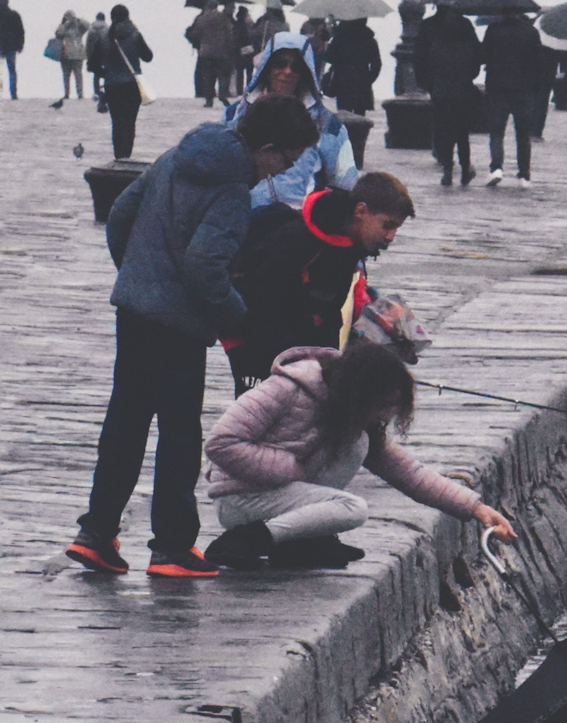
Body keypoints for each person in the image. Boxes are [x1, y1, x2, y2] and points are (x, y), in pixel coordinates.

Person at [65, 97, 320, 579]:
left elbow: (121, 214)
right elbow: (205, 265)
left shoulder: (178, 155)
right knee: (180, 432)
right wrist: (235, 315)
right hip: (179, 325)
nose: (280, 171)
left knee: (125, 423)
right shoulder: (231, 190)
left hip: (135, 311)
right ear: (265, 147)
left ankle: (96, 534)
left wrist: (142, 278)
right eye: (283, 160)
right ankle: (172, 548)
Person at [202, 340, 516, 569]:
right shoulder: (286, 389)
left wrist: (476, 509)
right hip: (240, 498)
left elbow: (409, 473)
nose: (383, 417)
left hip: (277, 493)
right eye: (382, 407)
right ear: (361, 394)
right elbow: (220, 443)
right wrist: (288, 467)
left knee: (358, 446)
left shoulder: (349, 414)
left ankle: (300, 541)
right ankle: (249, 541)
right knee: (352, 508)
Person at [224, 171, 415, 393]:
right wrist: (299, 357)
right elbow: (259, 306)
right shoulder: (295, 240)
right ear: (361, 211)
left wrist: (329, 361)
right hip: (250, 341)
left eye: (395, 230)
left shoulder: (349, 246)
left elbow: (329, 313)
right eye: (387, 225)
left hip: (293, 345)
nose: (390, 236)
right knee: (258, 414)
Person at [225, 32, 357, 209]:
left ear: (305, 72)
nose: (287, 71)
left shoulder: (326, 124)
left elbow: (346, 181)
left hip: (298, 223)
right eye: (280, 64)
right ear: (267, 67)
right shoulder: (235, 115)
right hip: (246, 218)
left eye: (296, 66)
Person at [414, 1, 483, 186]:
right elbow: (476, 64)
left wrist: (431, 84)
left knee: (445, 130)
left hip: (441, 92)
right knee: (462, 133)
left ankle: (447, 169)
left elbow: (426, 63)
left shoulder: (437, 44)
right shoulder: (467, 41)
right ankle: (465, 167)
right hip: (463, 90)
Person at [480, 7, 545, 187]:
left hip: (498, 87)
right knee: (523, 133)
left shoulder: (493, 30)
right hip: (524, 89)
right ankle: (524, 175)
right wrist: (537, 88)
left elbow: (483, 56)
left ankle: (496, 168)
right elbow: (539, 61)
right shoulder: (530, 32)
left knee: (496, 130)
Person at [90, 5, 153, 159]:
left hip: (112, 86)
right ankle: (126, 155)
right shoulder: (135, 35)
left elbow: (92, 64)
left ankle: (118, 155)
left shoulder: (104, 38)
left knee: (117, 122)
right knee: (129, 122)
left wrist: (106, 74)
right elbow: (148, 57)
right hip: (132, 85)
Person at [323, 18, 382, 114]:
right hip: (362, 83)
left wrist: (333, 35)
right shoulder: (370, 40)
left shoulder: (341, 38)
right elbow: (377, 65)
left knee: (344, 115)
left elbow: (328, 57)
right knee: (360, 117)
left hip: (343, 81)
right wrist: (368, 80)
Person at [185, 0, 236, 108]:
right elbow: (229, 34)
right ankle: (222, 93)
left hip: (205, 52)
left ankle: (209, 100)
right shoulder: (223, 18)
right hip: (221, 52)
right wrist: (229, 48)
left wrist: (197, 43)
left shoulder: (201, 19)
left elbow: (195, 35)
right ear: (217, 7)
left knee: (208, 76)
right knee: (223, 75)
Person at [53, 11, 89, 100]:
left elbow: (87, 25)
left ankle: (80, 93)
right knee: (66, 75)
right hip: (65, 54)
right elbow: (58, 33)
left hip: (77, 54)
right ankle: (67, 93)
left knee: (78, 74)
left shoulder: (79, 28)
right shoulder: (63, 27)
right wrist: (64, 24)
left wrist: (78, 20)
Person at [530, 46, 558, 143]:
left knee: (531, 101)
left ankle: (529, 130)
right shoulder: (553, 43)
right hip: (547, 75)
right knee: (542, 102)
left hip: (532, 74)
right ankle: (536, 132)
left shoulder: (533, 36)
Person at [0, 0, 24, 99]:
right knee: (12, 70)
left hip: (3, 45)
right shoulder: (14, 15)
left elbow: (20, 31)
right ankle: (13, 93)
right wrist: (20, 45)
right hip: (11, 46)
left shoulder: (14, 15)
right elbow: (20, 31)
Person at [86, 12, 108, 101]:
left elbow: (88, 44)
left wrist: (88, 56)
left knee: (96, 75)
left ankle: (96, 92)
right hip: (105, 54)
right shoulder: (107, 28)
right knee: (107, 73)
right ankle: (106, 92)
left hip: (94, 55)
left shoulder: (91, 29)